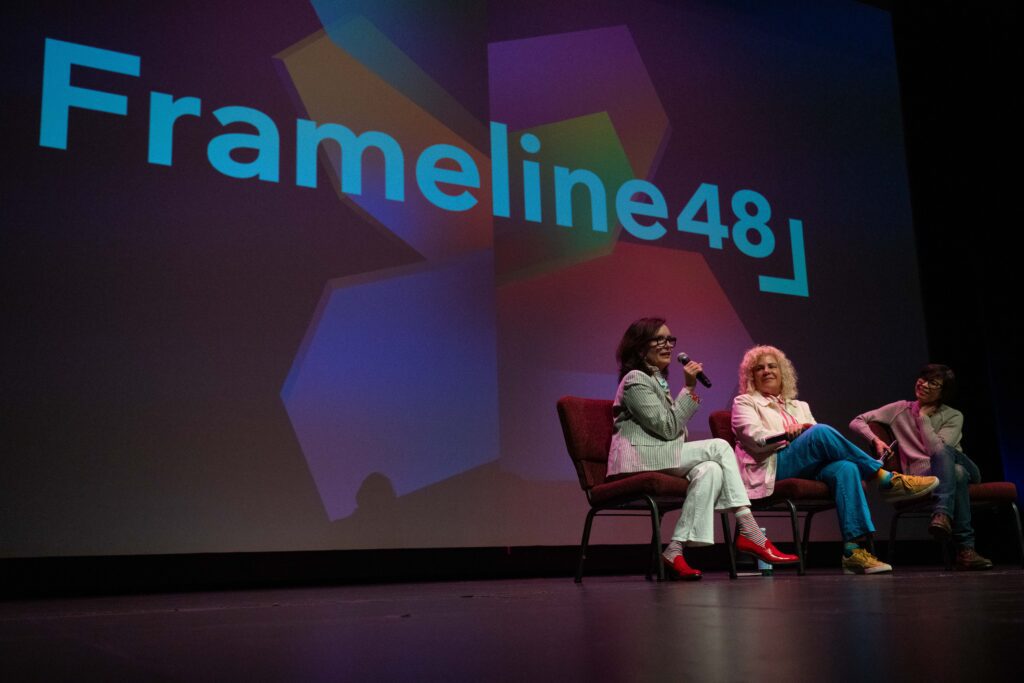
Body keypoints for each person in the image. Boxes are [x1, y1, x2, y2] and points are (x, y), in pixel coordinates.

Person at [609, 318, 798, 580]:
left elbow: (670, 430)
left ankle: (674, 550)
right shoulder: (635, 380)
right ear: (640, 348)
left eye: (670, 340)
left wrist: (686, 392)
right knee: (720, 447)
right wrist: (688, 388)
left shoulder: (654, 381)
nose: (668, 346)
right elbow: (667, 428)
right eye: (659, 340)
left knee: (710, 470)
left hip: (658, 455)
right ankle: (750, 532)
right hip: (638, 459)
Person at [731, 345, 940, 575]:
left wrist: (805, 431)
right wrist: (787, 435)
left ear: (783, 373)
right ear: (752, 376)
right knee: (820, 432)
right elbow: (754, 439)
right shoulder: (744, 402)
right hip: (771, 466)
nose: (767, 371)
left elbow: (816, 445)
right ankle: (883, 477)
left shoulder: (800, 406)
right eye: (760, 368)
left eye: (772, 366)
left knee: (846, 468)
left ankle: (853, 551)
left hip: (804, 466)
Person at [850, 365, 992, 570]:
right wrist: (875, 440)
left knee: (951, 460)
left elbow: (937, 451)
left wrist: (923, 419)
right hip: (922, 474)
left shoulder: (953, 415)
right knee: (957, 474)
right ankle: (965, 549)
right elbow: (857, 421)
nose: (924, 384)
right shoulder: (900, 408)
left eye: (933, 383)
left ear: (943, 392)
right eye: (922, 379)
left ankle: (941, 514)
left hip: (963, 466)